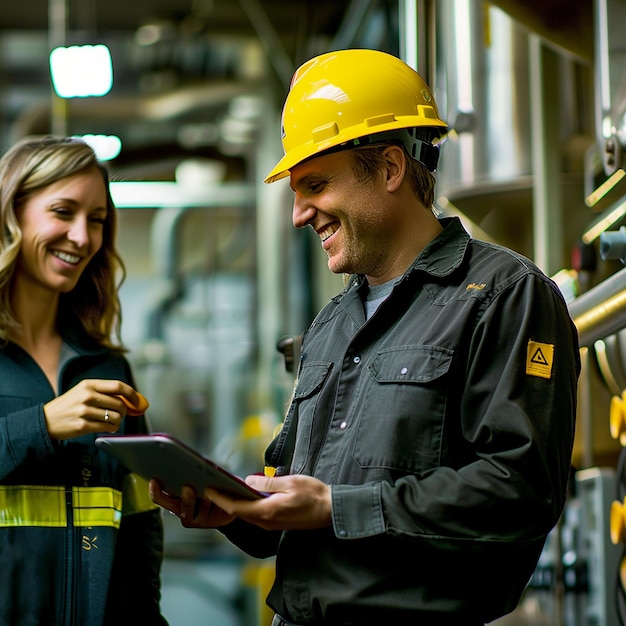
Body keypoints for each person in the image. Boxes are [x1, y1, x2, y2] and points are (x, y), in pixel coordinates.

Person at [150, 49, 580, 625]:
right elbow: (295, 505)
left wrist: (336, 508)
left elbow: (519, 492)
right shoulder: (332, 324)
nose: (300, 214)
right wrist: (235, 511)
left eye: (317, 185)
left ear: (390, 169)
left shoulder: (503, 296)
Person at [0, 135, 168, 625]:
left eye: (95, 220)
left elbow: (139, 528)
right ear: (13, 214)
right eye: (63, 211)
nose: (81, 237)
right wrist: (43, 425)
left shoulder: (106, 366)